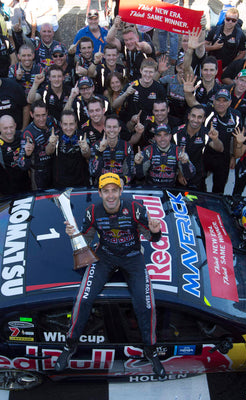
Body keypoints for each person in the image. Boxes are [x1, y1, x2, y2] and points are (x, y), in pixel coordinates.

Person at [55, 172, 165, 378]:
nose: (111, 195)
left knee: (146, 304)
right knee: (83, 298)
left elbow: (152, 238)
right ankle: (70, 345)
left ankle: (151, 350)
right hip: (105, 256)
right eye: (106, 191)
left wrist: (155, 231)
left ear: (121, 191)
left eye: (114, 190)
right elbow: (86, 241)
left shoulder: (134, 208)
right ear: (100, 193)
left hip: (133, 258)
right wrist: (74, 235)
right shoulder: (92, 211)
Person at [18, 100, 58, 190]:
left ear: (47, 113)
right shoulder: (28, 133)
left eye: (43, 115)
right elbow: (21, 164)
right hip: (39, 174)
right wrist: (27, 154)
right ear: (31, 114)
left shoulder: (52, 121)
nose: (41, 119)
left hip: (56, 169)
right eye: (37, 116)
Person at [89, 114, 135, 185]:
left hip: (120, 185)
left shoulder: (126, 146)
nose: (111, 130)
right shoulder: (96, 146)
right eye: (109, 127)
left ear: (119, 129)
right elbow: (93, 172)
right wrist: (100, 152)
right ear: (104, 128)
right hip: (101, 186)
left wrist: (123, 180)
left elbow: (131, 173)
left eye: (114, 127)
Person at [106, 16, 154, 82]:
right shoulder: (126, 43)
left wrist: (142, 46)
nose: (129, 42)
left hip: (147, 79)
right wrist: (115, 25)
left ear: (136, 26)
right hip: (131, 79)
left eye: (131, 26)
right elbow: (109, 39)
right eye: (126, 27)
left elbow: (149, 48)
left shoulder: (144, 37)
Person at [51, 110, 91, 188]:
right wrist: (51, 144)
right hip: (60, 183)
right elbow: (48, 152)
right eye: (65, 124)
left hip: (81, 182)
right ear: (61, 124)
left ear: (76, 124)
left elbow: (88, 155)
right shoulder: (55, 135)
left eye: (71, 124)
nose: (68, 128)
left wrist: (85, 149)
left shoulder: (82, 135)